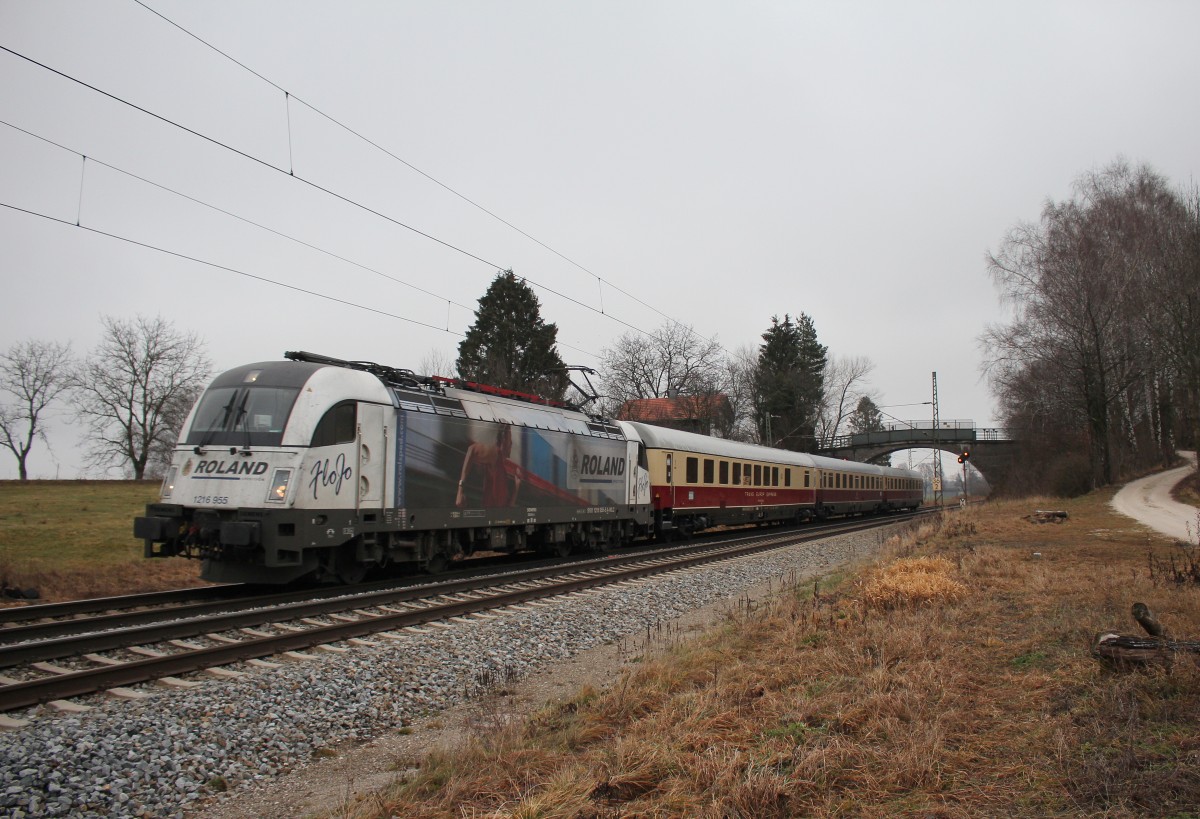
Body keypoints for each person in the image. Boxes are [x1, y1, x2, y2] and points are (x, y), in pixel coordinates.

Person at [455, 424, 521, 507]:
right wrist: (460, 491)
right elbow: (472, 450)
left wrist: (516, 486)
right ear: (503, 439)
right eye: (510, 441)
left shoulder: (503, 471)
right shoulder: (495, 454)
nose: (511, 445)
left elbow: (508, 507)